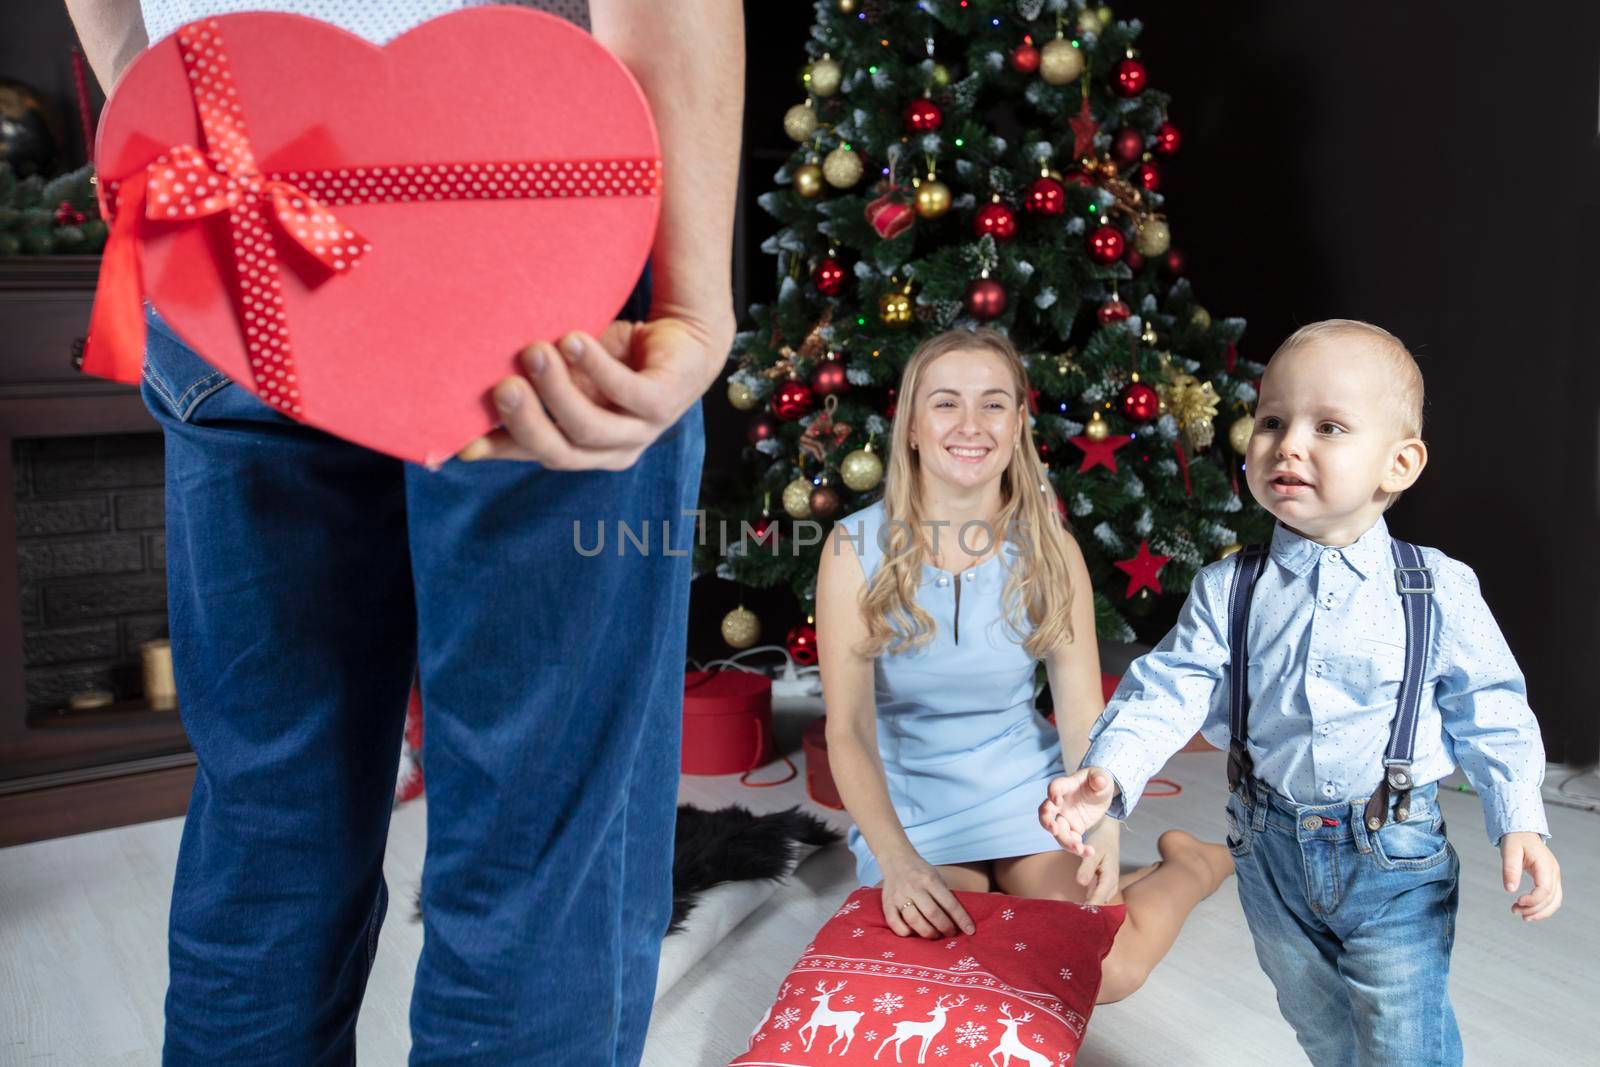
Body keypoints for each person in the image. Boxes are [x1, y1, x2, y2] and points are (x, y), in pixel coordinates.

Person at [63, 1, 741, 1063]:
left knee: (268, 811)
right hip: (525, 210)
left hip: (234, 189)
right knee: (536, 842)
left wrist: (160, 108)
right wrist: (696, 301)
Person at [1042, 319, 1563, 1063]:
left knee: (1402, 1038)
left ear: (1399, 464)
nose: (1288, 444)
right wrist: (1112, 770)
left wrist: (1520, 818)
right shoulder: (1230, 587)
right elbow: (1170, 685)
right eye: (1272, 421)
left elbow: (1494, 708)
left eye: (1329, 426)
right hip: (1267, 848)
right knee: (1319, 1022)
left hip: (1393, 855)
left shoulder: (1437, 587)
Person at [815, 328, 1235, 1005]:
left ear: (1017, 425)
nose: (971, 425)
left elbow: (1079, 715)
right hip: (913, 805)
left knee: (1104, 970)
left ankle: (1190, 866)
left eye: (993, 404)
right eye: (946, 403)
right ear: (914, 427)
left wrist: (1102, 832)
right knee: (963, 969)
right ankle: (965, 877)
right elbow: (850, 731)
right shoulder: (851, 548)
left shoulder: (1050, 549)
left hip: (1025, 794)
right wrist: (896, 859)